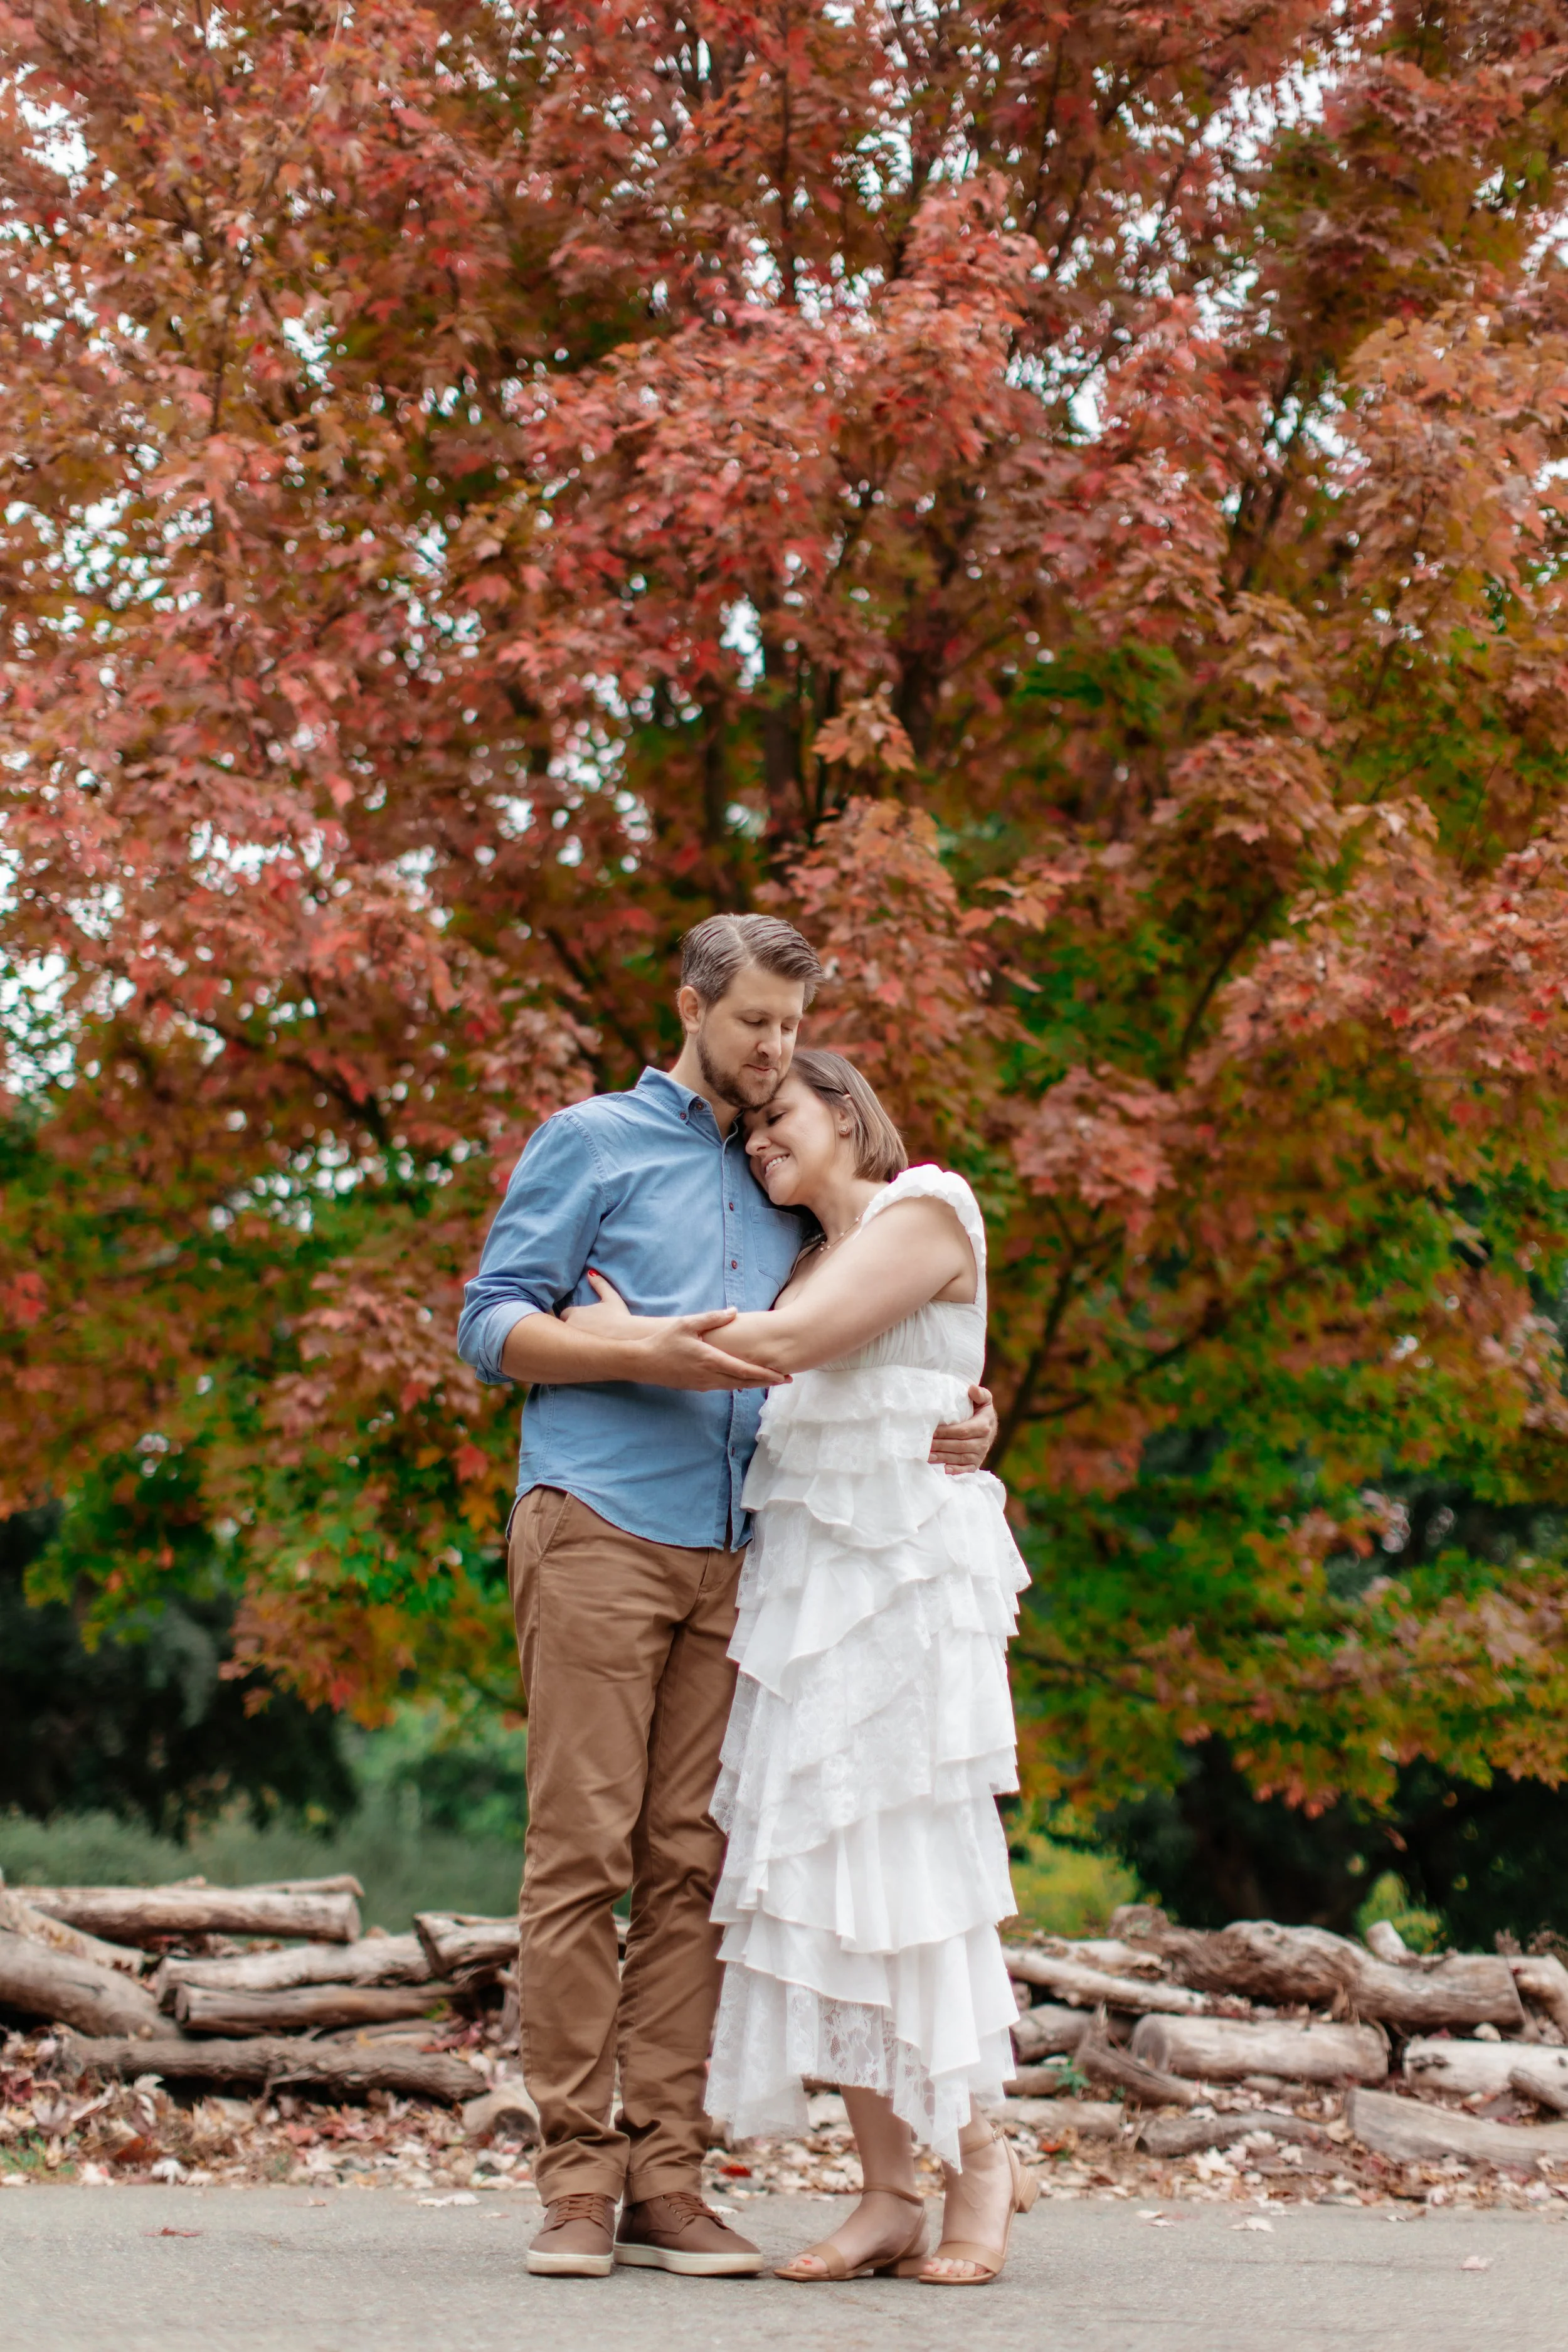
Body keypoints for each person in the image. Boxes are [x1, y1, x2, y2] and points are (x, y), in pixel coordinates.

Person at [455, 915, 997, 2280]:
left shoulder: (789, 1177)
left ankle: (667, 2182)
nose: (775, 1049)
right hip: (599, 1522)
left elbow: (873, 1332)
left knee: (693, 1872)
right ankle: (577, 2184)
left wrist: (962, 1410)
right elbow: (491, 1323)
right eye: (755, 1021)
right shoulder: (590, 1142)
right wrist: (635, 1347)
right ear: (692, 1006)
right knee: (581, 1856)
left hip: (747, 1555)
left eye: (793, 1027)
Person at [564, 1048, 1034, 2286]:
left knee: (915, 1873)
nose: (762, 1136)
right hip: (808, 1598)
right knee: (829, 1889)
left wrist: (616, 1336)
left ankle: (979, 2163)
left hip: (901, 1589)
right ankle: (886, 2192)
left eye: (780, 1113)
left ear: (846, 1111)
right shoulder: (803, 1258)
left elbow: (795, 1346)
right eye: (749, 1126)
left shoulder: (922, 1207)